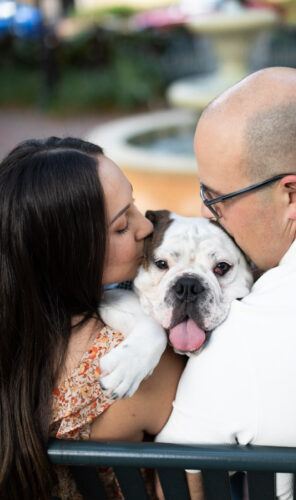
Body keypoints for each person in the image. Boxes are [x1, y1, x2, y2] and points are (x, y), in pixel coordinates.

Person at [156, 68, 296, 498]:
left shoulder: (245, 339)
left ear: (293, 196)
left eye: (216, 198)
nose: (209, 213)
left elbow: (176, 488)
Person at [0, 137, 184, 500]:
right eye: (120, 227)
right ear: (70, 254)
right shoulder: (134, 363)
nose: (145, 226)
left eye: (133, 204)